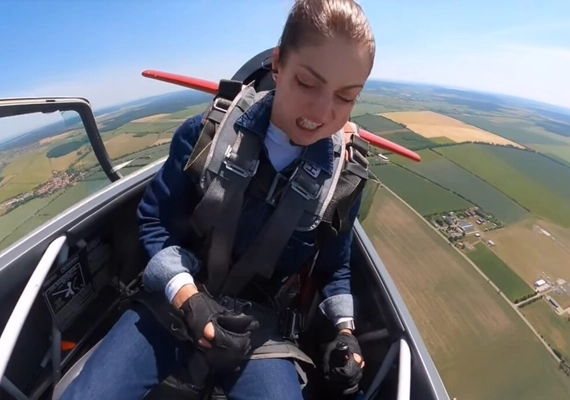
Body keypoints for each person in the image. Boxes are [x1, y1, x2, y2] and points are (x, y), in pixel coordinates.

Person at [59, 0, 375, 399]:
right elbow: (155, 222)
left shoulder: (341, 180)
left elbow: (335, 269)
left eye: (346, 97)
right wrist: (188, 300)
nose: (323, 111)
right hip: (175, 306)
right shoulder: (204, 139)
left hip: (257, 333)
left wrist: (344, 334)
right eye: (307, 84)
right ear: (277, 65)